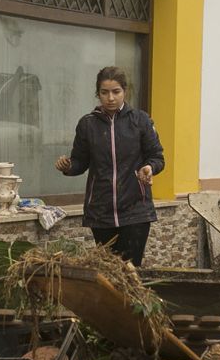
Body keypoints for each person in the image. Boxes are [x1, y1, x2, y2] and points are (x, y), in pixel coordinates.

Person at [54, 66, 165, 266]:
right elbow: (80, 161)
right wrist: (68, 166)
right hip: (101, 212)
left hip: (136, 211)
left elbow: (157, 157)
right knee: (108, 272)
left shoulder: (140, 121)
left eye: (116, 92)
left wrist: (149, 168)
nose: (110, 98)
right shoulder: (87, 125)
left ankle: (130, 299)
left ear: (125, 91)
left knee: (129, 271)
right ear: (98, 94)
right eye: (104, 92)